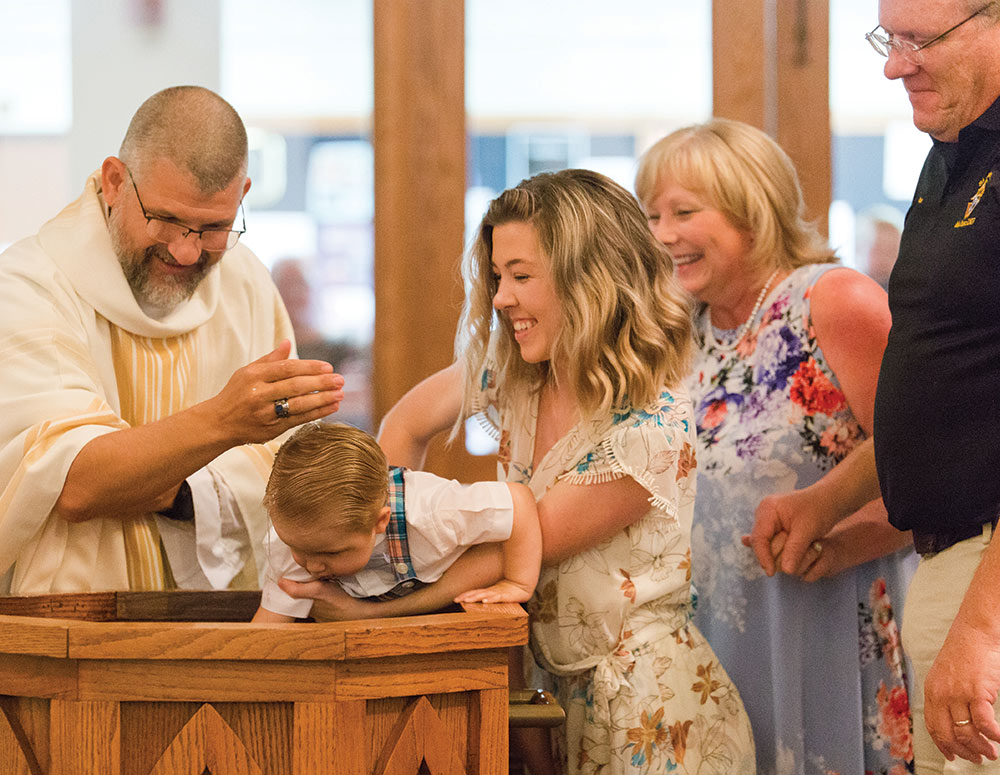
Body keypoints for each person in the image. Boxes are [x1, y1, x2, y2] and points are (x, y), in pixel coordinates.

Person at [281, 169, 756, 773]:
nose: (501, 297)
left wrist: (374, 612)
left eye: (522, 277)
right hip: (544, 691)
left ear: (592, 281)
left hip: (644, 714)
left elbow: (513, 547)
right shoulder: (513, 372)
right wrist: (379, 557)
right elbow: (404, 424)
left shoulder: (651, 429)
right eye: (498, 277)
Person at [750, 1, 1000, 769]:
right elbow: (951, 393)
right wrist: (826, 500)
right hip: (950, 567)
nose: (896, 66)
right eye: (889, 40)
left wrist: (984, 625)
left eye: (922, 40)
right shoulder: (947, 152)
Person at [634, 118, 916, 775]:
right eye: (652, 215)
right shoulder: (682, 331)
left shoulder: (832, 300)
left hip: (823, 627)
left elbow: (925, 460)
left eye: (683, 211)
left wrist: (842, 537)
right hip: (713, 647)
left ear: (750, 210)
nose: (662, 234)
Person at [0, 85, 344, 595]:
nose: (186, 253)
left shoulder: (244, 282)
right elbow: (72, 483)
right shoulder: (30, 285)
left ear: (242, 196)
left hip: (223, 628)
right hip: (69, 632)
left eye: (213, 228)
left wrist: (171, 489)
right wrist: (224, 422)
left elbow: (285, 471)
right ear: (115, 181)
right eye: (166, 219)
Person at [250, 421, 541, 623]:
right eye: (296, 548)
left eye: (331, 553)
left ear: (380, 520)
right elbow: (270, 627)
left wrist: (518, 580)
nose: (311, 566)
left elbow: (518, 501)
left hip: (449, 612)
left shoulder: (434, 512)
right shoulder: (297, 541)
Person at [855, 204, 904, 290]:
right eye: (877, 250)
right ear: (859, 249)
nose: (884, 259)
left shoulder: (906, 293)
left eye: (892, 252)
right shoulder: (851, 289)